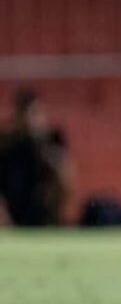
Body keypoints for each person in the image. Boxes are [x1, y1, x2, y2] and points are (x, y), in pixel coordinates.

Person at [0, 88, 73, 227]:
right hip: (12, 210)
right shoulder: (6, 144)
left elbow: (66, 179)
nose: (30, 121)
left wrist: (44, 151)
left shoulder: (52, 140)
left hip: (43, 209)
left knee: (61, 175)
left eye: (35, 114)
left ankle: (55, 224)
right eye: (25, 115)